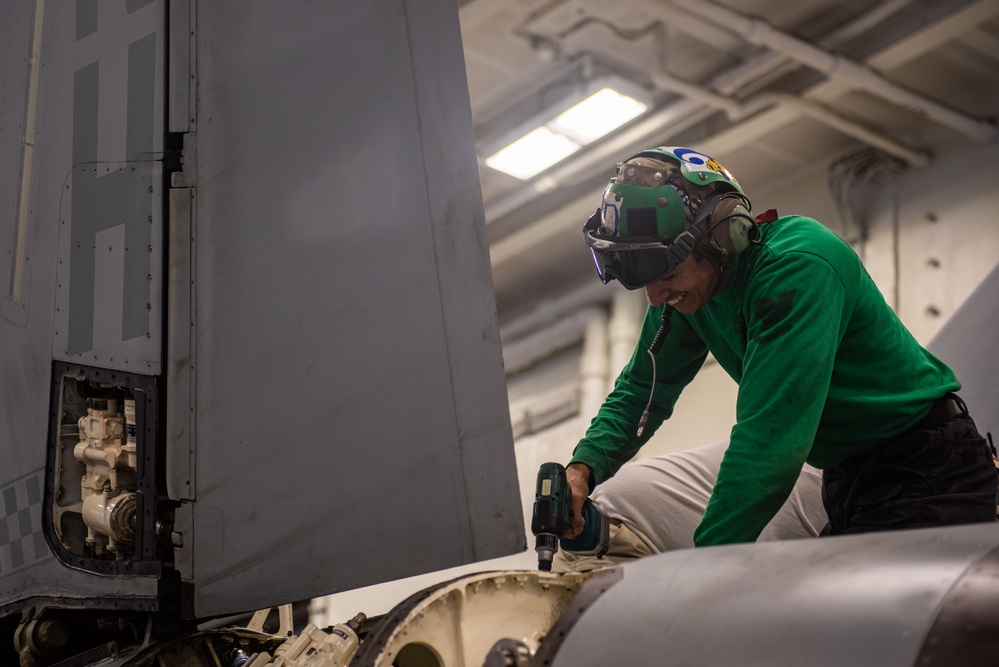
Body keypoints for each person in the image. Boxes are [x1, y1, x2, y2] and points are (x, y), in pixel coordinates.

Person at [565, 146, 998, 546]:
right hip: (850, 479)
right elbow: (642, 391)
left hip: (929, 468)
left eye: (666, 275)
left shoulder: (796, 268)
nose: (656, 298)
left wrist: (698, 568)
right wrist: (583, 469)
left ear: (722, 236)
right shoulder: (689, 294)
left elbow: (768, 442)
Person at [553, 440, 827, 572]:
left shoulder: (803, 448)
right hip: (619, 536)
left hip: (607, 519)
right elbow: (757, 578)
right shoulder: (814, 490)